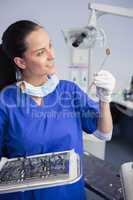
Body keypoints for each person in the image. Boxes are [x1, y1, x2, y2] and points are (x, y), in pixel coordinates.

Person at [0, 20, 115, 200]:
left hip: (68, 194)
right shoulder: (6, 102)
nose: (52, 55)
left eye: (50, 46)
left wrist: (105, 99)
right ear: (21, 61)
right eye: (40, 52)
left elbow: (104, 133)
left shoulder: (69, 91)